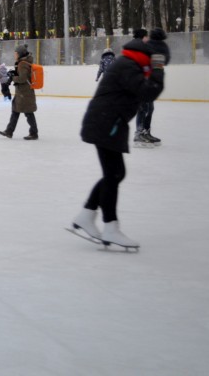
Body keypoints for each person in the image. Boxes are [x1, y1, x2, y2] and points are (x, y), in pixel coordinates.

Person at [70, 33, 167, 250]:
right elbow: (148, 92)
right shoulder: (128, 65)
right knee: (114, 174)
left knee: (113, 174)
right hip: (106, 123)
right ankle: (109, 227)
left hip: (107, 122)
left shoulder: (129, 62)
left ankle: (87, 215)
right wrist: (158, 70)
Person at [136, 28, 170, 147]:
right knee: (145, 108)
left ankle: (145, 132)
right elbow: (165, 61)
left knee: (147, 108)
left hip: (147, 79)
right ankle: (139, 134)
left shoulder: (148, 45)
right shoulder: (161, 46)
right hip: (150, 80)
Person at [0, 45, 38, 140]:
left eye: (15, 53)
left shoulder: (22, 64)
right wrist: (13, 73)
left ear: (20, 54)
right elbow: (24, 75)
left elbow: (23, 78)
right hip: (22, 92)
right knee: (15, 111)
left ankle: (34, 133)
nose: (14, 55)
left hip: (25, 93)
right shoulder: (24, 63)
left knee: (28, 113)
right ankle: (9, 131)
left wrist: (13, 77)